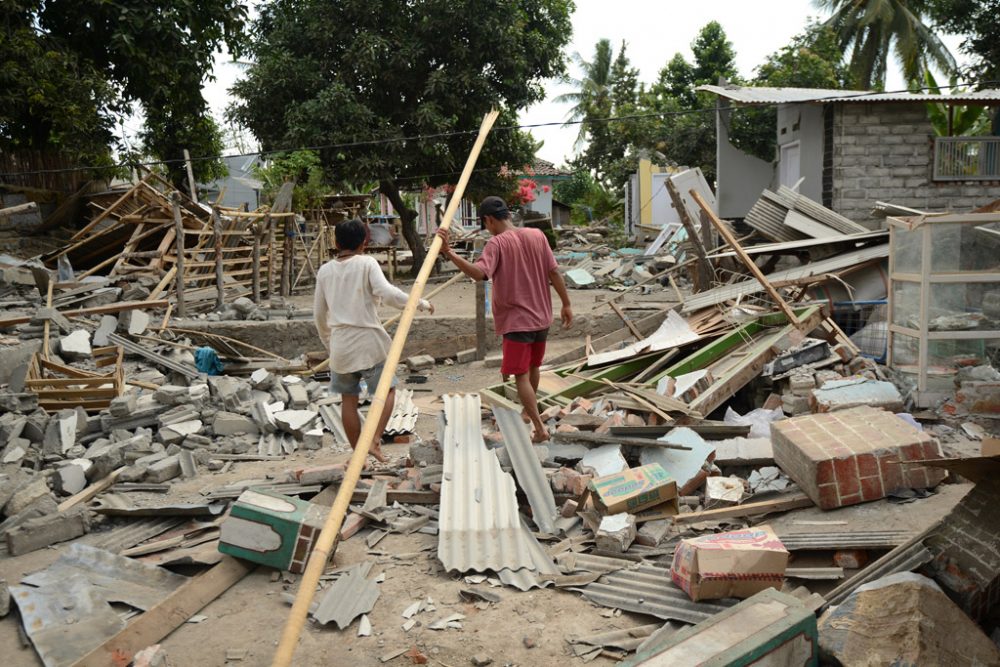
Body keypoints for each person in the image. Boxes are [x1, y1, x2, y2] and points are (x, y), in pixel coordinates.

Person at [437, 196, 572, 443]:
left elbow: (479, 274)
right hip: (542, 317)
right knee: (533, 368)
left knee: (520, 376)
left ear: (489, 220)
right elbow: (553, 272)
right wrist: (566, 303)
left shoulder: (496, 244)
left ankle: (540, 429)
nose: (487, 229)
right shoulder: (537, 235)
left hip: (517, 321)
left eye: (486, 224)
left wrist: (449, 253)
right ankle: (527, 413)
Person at [314, 218, 434, 463]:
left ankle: (359, 453)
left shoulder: (325, 271)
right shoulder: (367, 263)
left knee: (348, 400)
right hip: (369, 342)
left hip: (340, 346)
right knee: (387, 390)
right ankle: (375, 440)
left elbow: (319, 316)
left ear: (336, 243)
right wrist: (418, 302)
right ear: (364, 243)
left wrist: (330, 343)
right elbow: (388, 294)